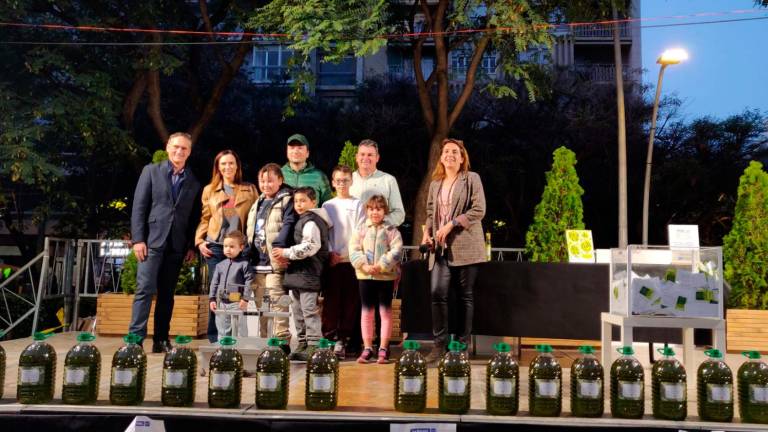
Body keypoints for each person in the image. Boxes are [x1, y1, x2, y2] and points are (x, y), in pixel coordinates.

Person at [129, 132, 201, 353]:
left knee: (167, 295)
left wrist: (190, 246)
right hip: (151, 242)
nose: (180, 151)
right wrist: (138, 239)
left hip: (177, 245)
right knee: (144, 290)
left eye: (184, 149)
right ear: (168, 146)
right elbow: (139, 207)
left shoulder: (194, 182)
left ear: (189, 152)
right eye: (176, 147)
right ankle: (135, 340)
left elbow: (193, 216)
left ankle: (161, 340)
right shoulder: (151, 171)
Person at [420, 138, 486, 365]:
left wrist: (452, 223)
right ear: (441, 157)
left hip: (466, 246)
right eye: (446, 151)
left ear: (461, 158)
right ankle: (440, 345)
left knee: (464, 296)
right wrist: (426, 233)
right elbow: (430, 212)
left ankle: (461, 345)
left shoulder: (471, 179)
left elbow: (479, 209)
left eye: (454, 152)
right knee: (437, 293)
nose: (449, 155)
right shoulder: (435, 183)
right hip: (439, 249)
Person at [195, 150, 258, 343]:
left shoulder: (249, 189)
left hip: (240, 248)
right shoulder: (209, 190)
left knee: (236, 291)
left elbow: (255, 219)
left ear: (237, 166)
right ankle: (215, 338)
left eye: (231, 163)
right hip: (216, 247)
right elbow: (205, 217)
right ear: (218, 167)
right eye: (223, 164)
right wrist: (199, 240)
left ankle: (236, 338)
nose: (227, 167)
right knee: (217, 292)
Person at [273, 187, 331, 362]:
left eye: (303, 200)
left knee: (309, 310)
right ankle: (302, 343)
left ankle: (314, 344)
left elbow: (311, 246)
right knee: (297, 311)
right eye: (296, 201)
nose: (299, 204)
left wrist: (286, 252)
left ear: (313, 202)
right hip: (298, 275)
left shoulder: (312, 221)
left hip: (309, 273)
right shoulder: (302, 220)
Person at [245, 163, 296, 349]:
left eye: (270, 181)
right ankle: (265, 342)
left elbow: (289, 224)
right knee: (261, 307)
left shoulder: (286, 200)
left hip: (275, 263)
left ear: (280, 181)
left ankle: (282, 342)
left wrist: (280, 246)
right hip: (257, 263)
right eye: (262, 181)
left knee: (277, 304)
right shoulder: (257, 202)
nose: (266, 185)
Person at [349, 195, 403, 364]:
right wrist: (364, 266)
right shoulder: (361, 229)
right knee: (366, 312)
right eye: (371, 209)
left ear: (384, 211)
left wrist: (381, 265)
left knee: (385, 313)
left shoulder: (391, 230)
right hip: (365, 276)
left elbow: (396, 250)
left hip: (385, 277)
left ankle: (384, 348)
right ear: (367, 210)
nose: (375, 212)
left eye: (379, 209)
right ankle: (367, 347)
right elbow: (354, 248)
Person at [321, 165, 365, 359]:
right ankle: (329, 339)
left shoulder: (358, 205)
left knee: (350, 303)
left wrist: (349, 254)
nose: (342, 184)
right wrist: (331, 253)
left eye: (345, 180)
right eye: (338, 180)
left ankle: (344, 341)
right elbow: (324, 234)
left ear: (351, 181)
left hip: (352, 262)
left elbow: (360, 232)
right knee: (331, 303)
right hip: (332, 263)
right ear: (333, 182)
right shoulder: (327, 206)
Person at [208, 231, 254, 339]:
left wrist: (245, 299)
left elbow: (249, 281)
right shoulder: (220, 265)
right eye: (225, 246)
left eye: (232, 246)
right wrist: (212, 299)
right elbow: (214, 283)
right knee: (223, 329)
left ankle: (241, 350)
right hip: (222, 303)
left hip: (238, 302)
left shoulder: (245, 264)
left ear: (241, 247)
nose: (228, 249)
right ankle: (223, 352)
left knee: (240, 329)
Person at [349, 139, 405, 227]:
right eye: (362, 154)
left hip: (380, 237)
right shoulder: (348, 180)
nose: (365, 158)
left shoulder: (388, 180)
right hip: (351, 237)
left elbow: (399, 213)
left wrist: (379, 223)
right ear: (356, 157)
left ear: (377, 158)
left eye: (370, 155)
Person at [281, 133, 332, 205]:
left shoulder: (319, 176)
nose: (295, 151)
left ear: (307, 153)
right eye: (292, 148)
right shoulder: (279, 174)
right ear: (287, 152)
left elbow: (328, 206)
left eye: (300, 148)